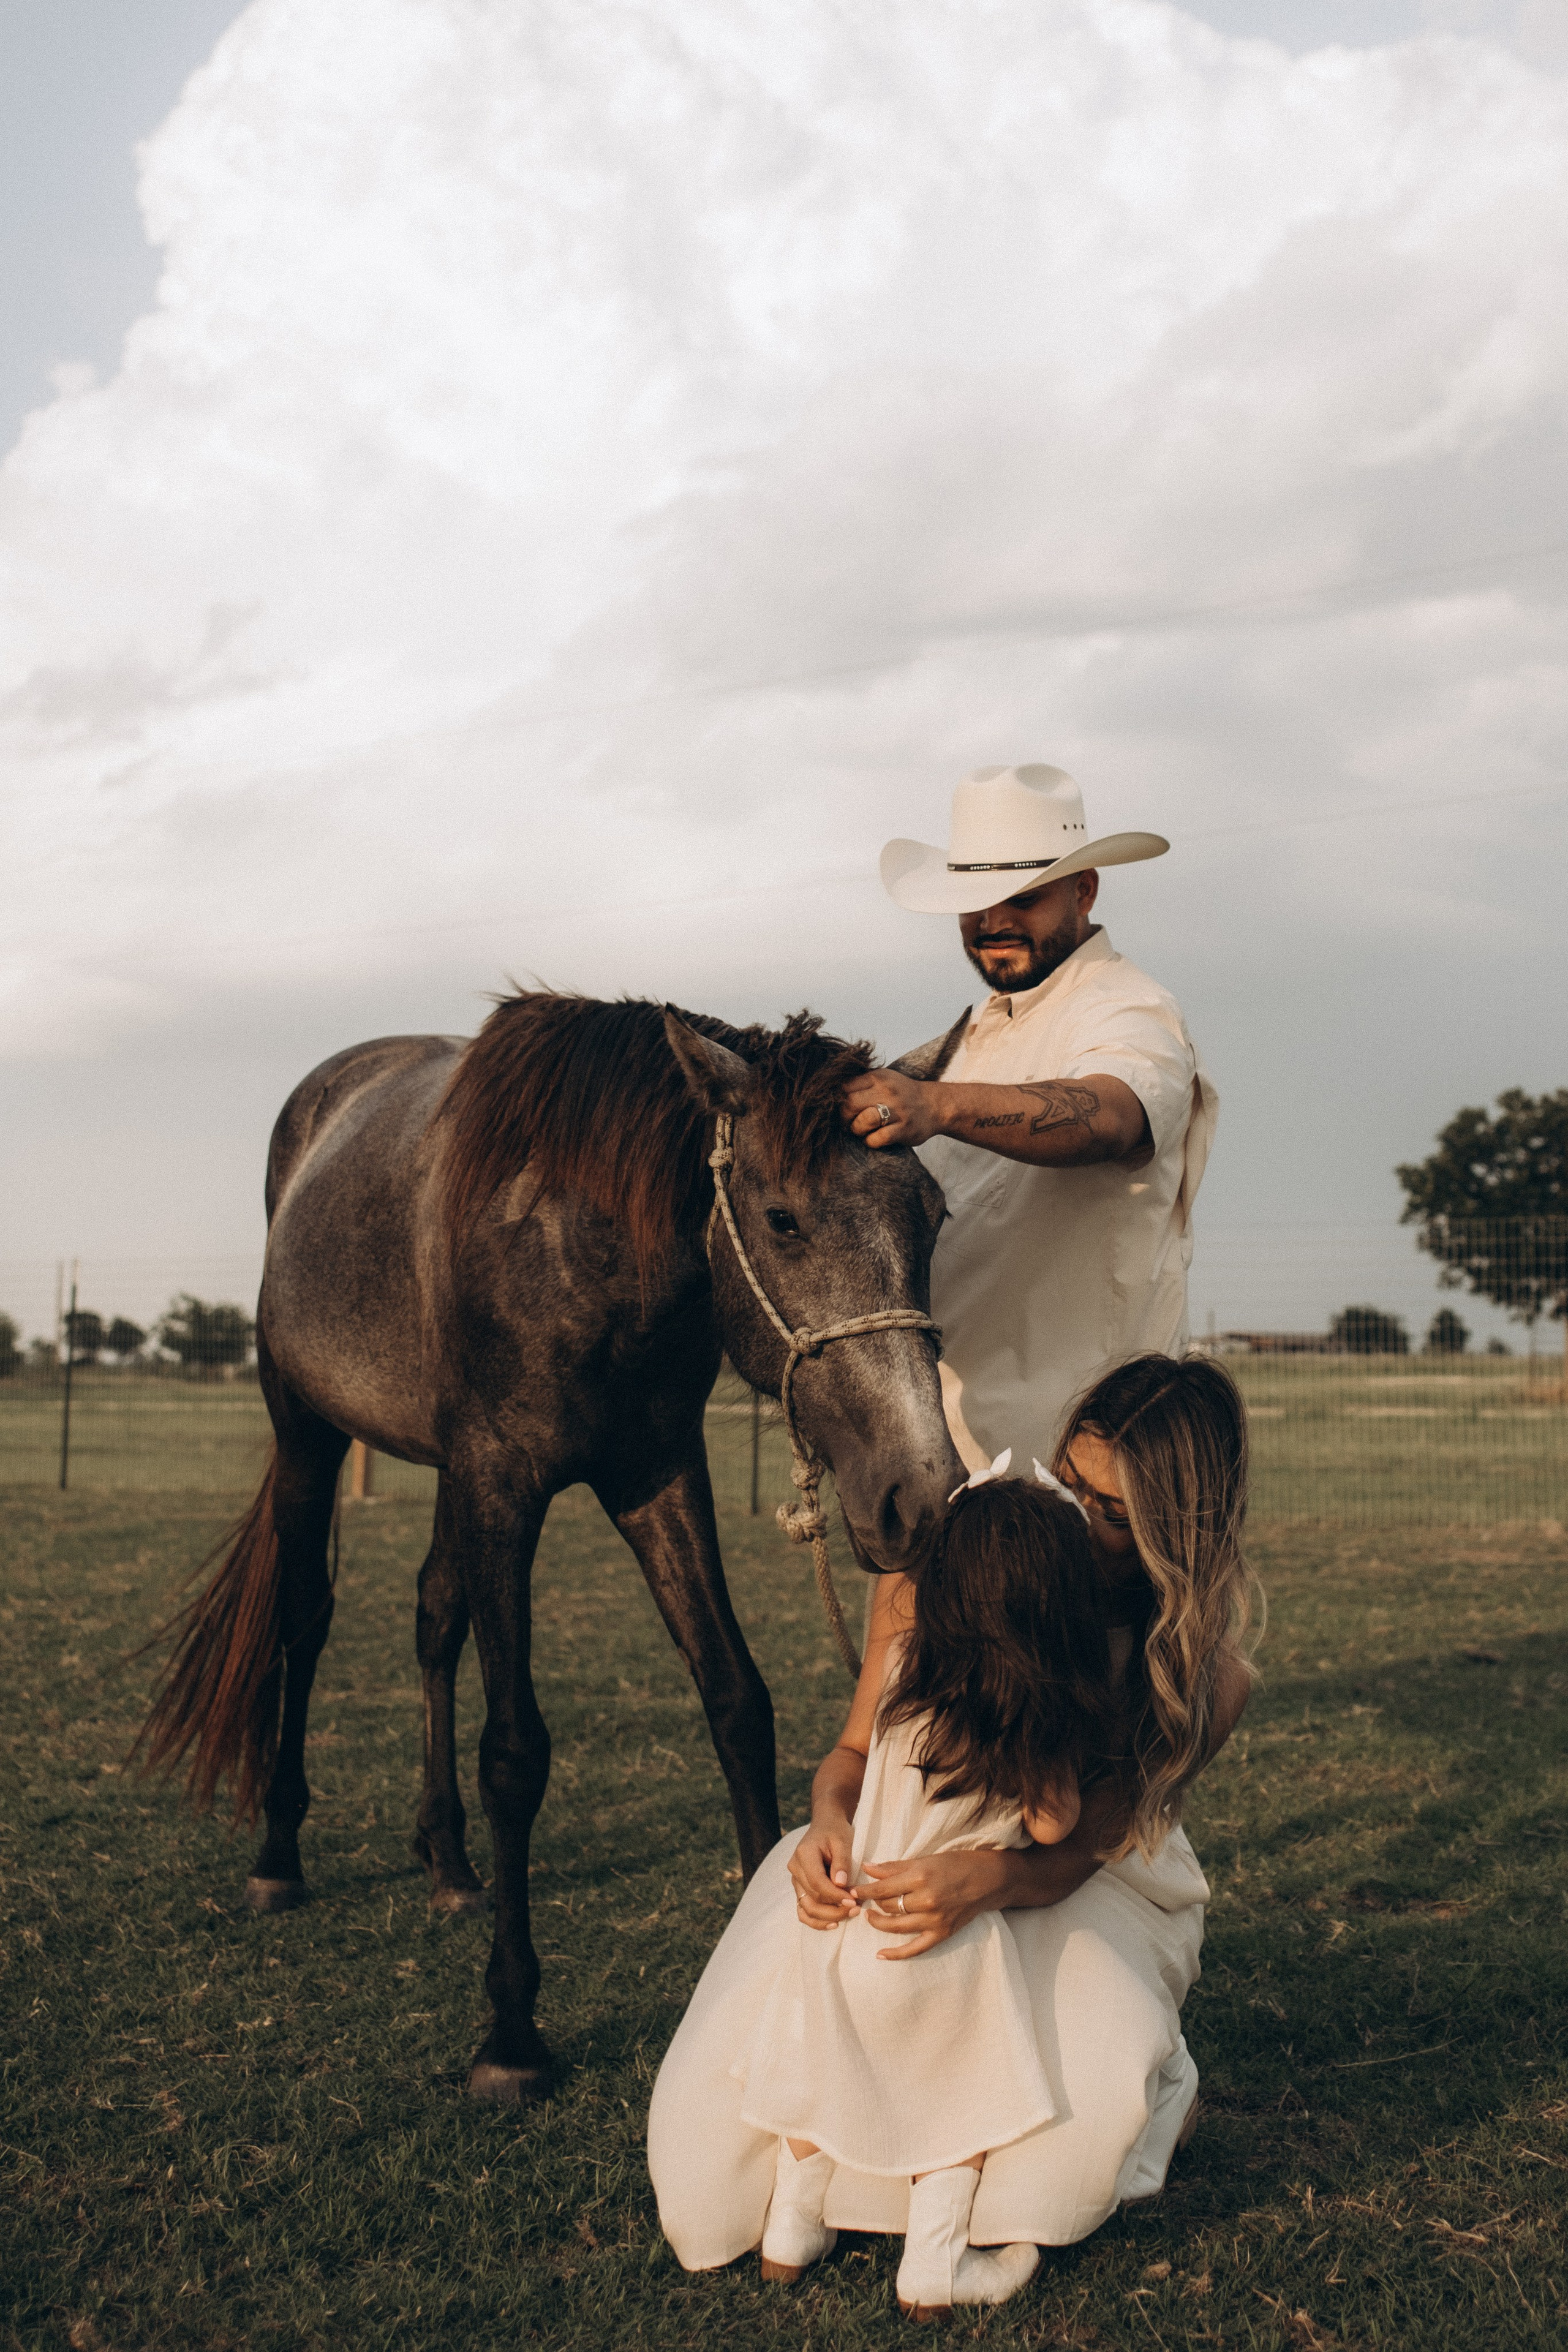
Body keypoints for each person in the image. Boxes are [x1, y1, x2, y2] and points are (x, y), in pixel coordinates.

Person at [647, 1353, 1257, 2312]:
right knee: (704, 2152)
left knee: (1063, 2155)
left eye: (1110, 1514)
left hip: (1074, 1882)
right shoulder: (954, 1570)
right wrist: (827, 1829)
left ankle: (1153, 2085)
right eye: (1071, 1477)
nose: (1069, 1512)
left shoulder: (1201, 1677)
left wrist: (983, 1881)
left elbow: (1073, 1845)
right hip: (895, 1853)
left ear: (1173, 1537)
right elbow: (852, 1756)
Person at [845, 761, 1218, 1470]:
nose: (992, 922)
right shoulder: (985, 1029)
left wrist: (937, 1104)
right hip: (948, 1445)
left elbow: (1110, 1114)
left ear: (1084, 890)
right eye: (973, 901)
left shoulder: (1127, 1007)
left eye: (1022, 895)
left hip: (1074, 1462)